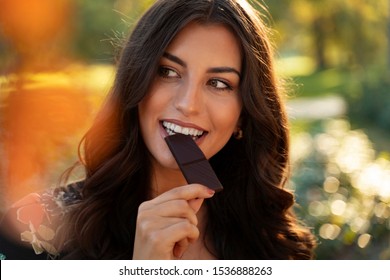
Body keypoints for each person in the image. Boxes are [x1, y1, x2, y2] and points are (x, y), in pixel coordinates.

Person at [0, 0, 316, 260]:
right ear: (135, 83)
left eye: (218, 83)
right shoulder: (33, 230)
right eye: (168, 71)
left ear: (245, 115)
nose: (188, 104)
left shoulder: (272, 244)